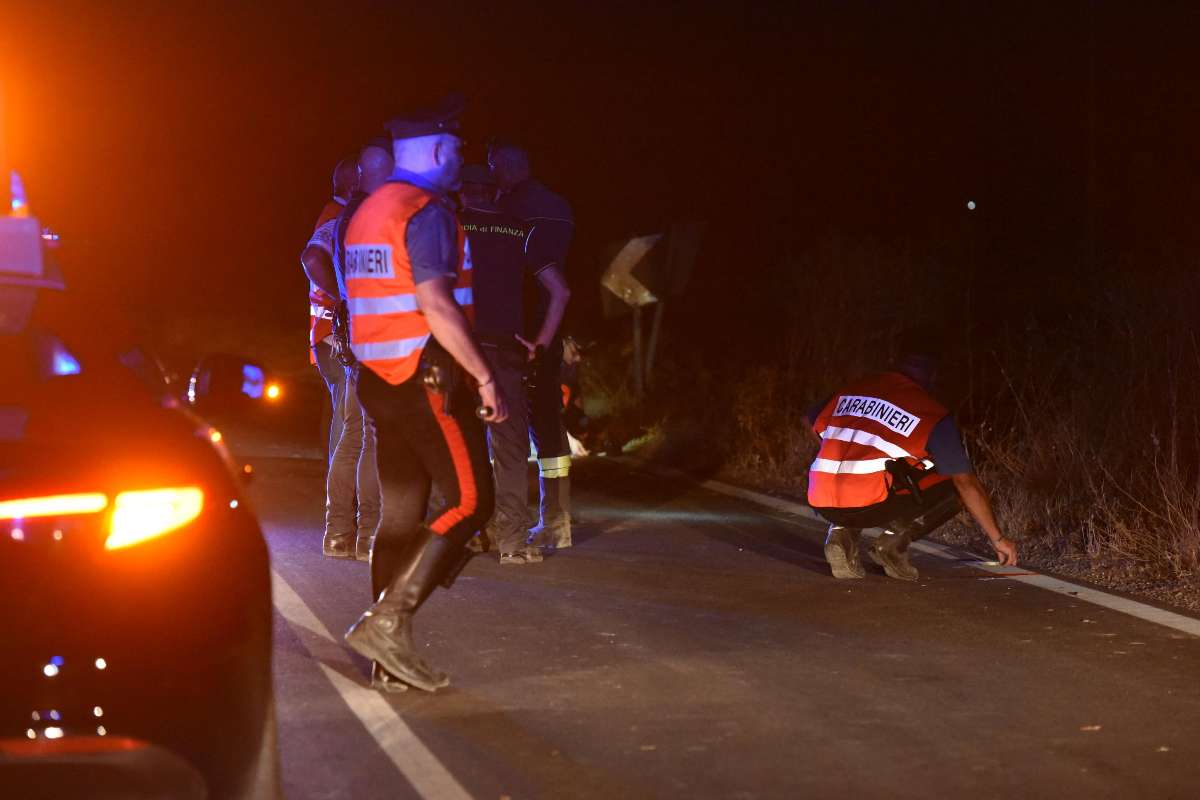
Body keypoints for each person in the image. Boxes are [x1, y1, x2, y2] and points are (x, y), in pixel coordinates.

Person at [342, 96, 506, 693]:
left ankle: (388, 660)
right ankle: (388, 623)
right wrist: (484, 376)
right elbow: (437, 305)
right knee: (471, 501)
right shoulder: (427, 210)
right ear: (438, 152)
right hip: (425, 378)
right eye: (458, 149)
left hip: (378, 380)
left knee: (402, 516)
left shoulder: (365, 212)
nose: (462, 159)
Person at [807, 332, 1018, 581]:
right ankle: (891, 546)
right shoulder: (929, 411)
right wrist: (999, 539)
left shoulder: (856, 388)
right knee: (952, 484)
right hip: (867, 503)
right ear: (935, 373)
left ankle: (840, 534)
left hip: (820, 499)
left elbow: (807, 418)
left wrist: (834, 452)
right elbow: (965, 483)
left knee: (870, 478)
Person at [459, 164, 571, 564]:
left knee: (462, 447)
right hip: (505, 351)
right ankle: (512, 542)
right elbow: (560, 291)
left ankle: (470, 536)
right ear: (496, 193)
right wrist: (538, 344)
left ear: (463, 193)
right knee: (509, 447)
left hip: (459, 350)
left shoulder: (453, 226)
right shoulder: (520, 230)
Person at [489, 141, 575, 551]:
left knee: (506, 428)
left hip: (518, 332)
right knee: (548, 423)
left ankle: (502, 521)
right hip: (551, 331)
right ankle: (557, 521)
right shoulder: (560, 206)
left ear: (503, 170)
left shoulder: (508, 213)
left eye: (492, 169)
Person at [319, 138, 394, 561]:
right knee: (371, 436)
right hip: (378, 337)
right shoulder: (379, 214)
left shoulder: (344, 218)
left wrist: (341, 304)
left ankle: (337, 533)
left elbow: (318, 257)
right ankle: (369, 534)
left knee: (351, 435)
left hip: (352, 335)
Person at [301, 156, 359, 558]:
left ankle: (341, 523)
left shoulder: (340, 213)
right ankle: (340, 524)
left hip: (328, 337)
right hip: (334, 338)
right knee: (350, 429)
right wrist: (342, 301)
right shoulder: (337, 215)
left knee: (346, 427)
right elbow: (311, 257)